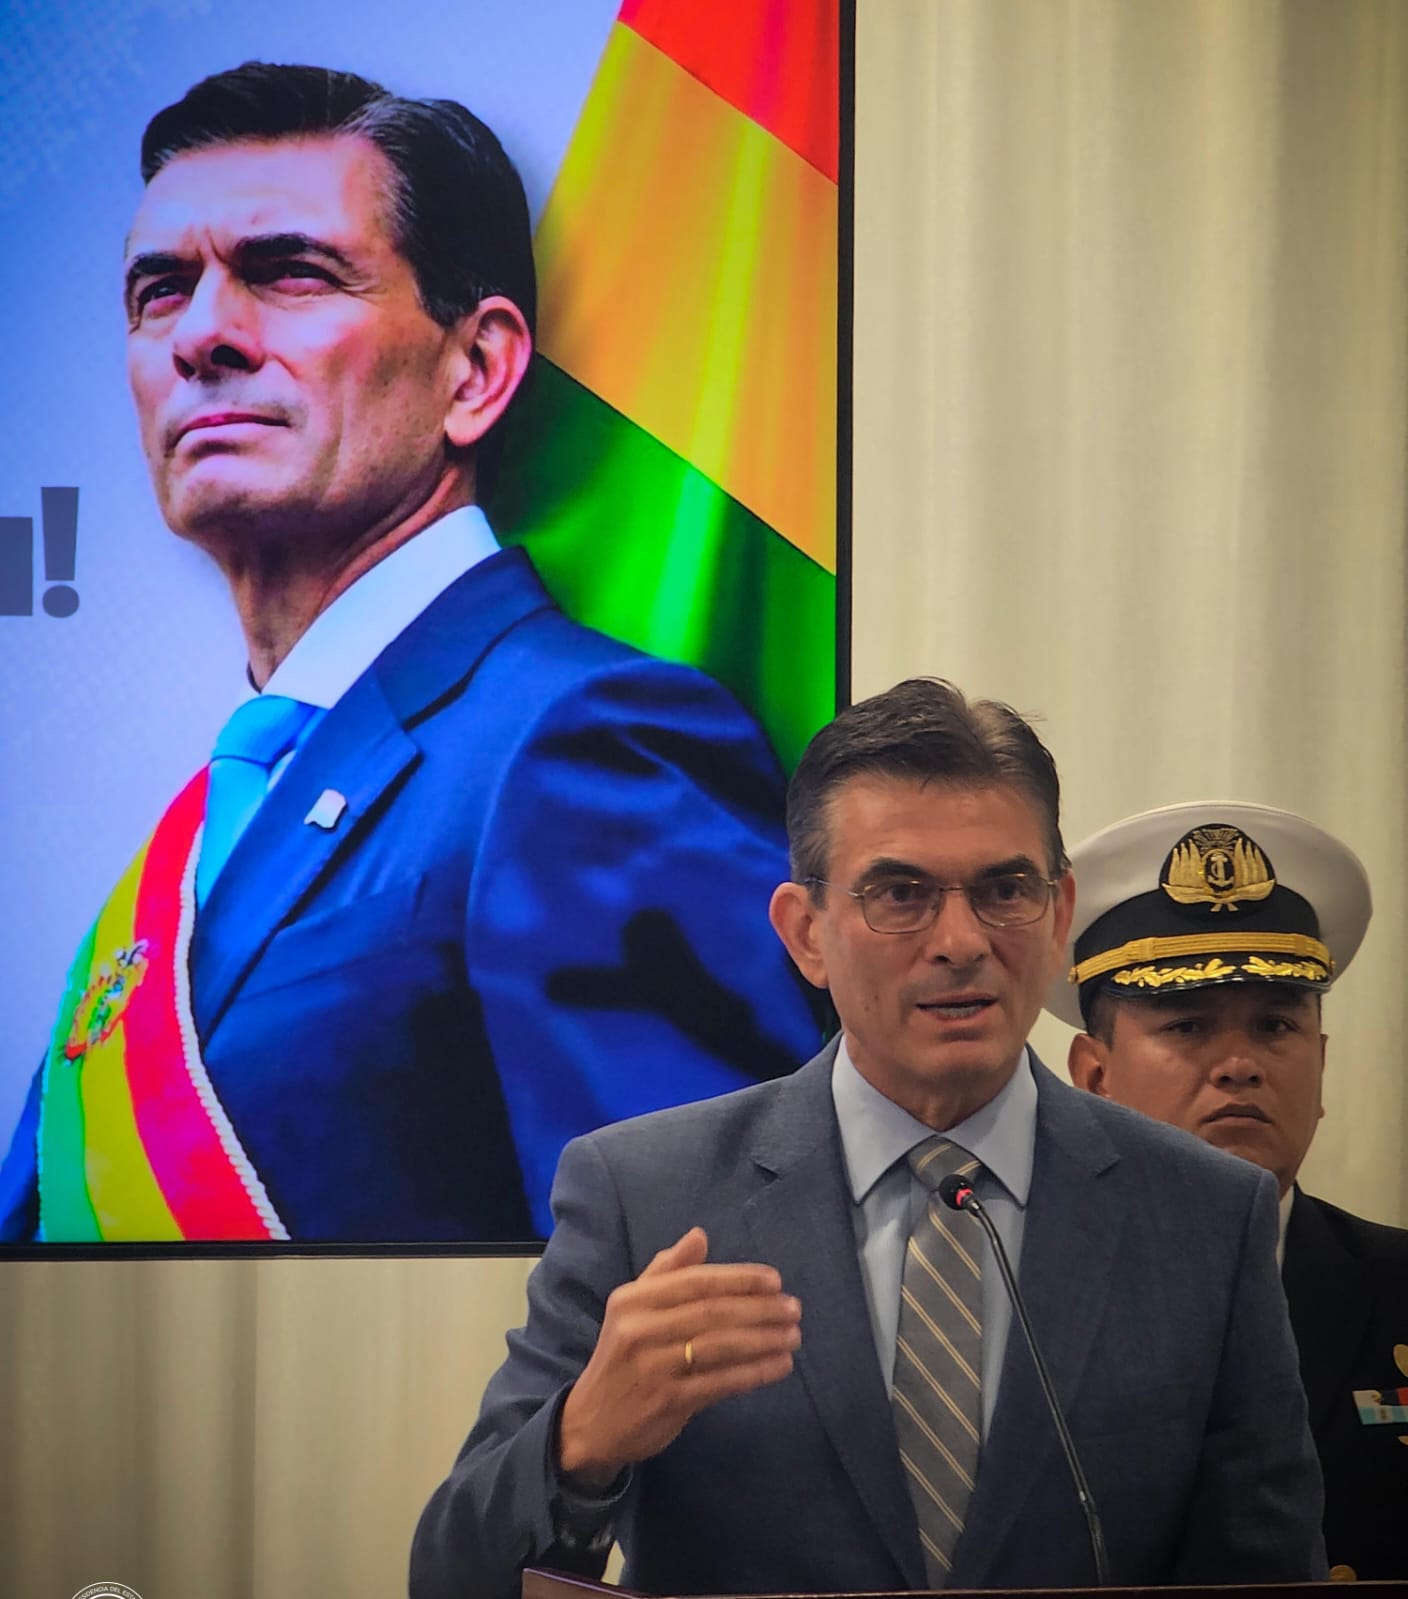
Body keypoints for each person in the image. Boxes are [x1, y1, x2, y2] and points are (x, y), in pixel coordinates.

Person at [0, 61, 822, 1244]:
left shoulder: (585, 744)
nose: (203, 336)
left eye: (290, 272)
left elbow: (709, 1286)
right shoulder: (188, 845)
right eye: (159, 290)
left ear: (475, 370)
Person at [410, 679, 1326, 1596]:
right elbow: (453, 1576)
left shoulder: (1206, 1214)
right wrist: (581, 1439)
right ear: (805, 933)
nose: (962, 940)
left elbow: (1267, 1569)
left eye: (1005, 889)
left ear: (1058, 916)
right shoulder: (644, 1194)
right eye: (900, 893)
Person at [1056, 799, 1408, 1581]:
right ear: (1094, 1076)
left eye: (1276, 1026)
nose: (1240, 1064)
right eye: (1188, 1025)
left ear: (1322, 1063)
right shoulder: (1025, 1288)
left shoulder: (1399, 1286)